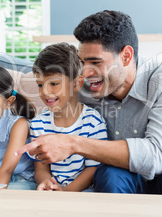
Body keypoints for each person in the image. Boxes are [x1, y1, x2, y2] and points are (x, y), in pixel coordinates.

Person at [16, 10, 162, 196]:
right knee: (110, 173)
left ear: (126, 56)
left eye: (95, 62)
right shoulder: (83, 87)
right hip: (126, 182)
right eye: (82, 62)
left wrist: (71, 143)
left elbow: (157, 156)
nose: (86, 73)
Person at [30, 43, 108, 192]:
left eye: (53, 84)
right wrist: (47, 183)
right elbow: (40, 169)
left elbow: (92, 170)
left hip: (83, 190)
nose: (45, 92)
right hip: (52, 190)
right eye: (40, 85)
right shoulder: (38, 124)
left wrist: (66, 191)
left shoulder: (93, 122)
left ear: (77, 84)